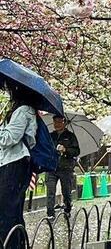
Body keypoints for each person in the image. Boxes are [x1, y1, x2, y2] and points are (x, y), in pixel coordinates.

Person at [0, 83, 39, 249]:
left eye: (11, 88)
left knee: (7, 209)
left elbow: (9, 138)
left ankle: (11, 245)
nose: (8, 91)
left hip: (15, 163)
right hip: (10, 163)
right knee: (10, 209)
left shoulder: (23, 110)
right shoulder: (18, 110)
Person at [46, 114, 80, 217]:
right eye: (55, 122)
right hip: (51, 167)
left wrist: (65, 150)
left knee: (66, 191)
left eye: (59, 122)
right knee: (50, 191)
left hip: (66, 167)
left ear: (64, 123)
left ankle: (67, 208)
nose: (57, 124)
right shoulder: (50, 136)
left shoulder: (70, 136)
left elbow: (76, 151)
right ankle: (50, 213)